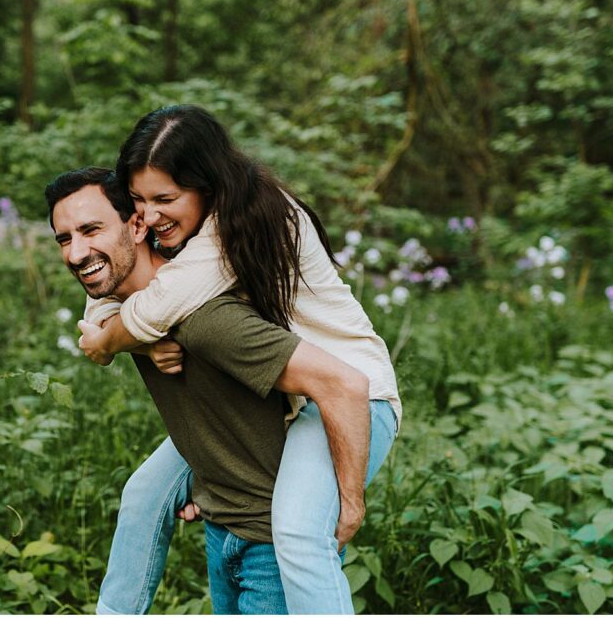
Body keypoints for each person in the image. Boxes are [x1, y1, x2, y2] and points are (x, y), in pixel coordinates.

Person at [76, 105, 402, 614]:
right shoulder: (185, 228)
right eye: (137, 199)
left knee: (296, 531)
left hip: (350, 393)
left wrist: (107, 342)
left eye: (165, 198)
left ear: (208, 184)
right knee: (144, 496)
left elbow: (155, 308)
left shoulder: (237, 225)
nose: (149, 215)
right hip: (285, 396)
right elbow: (118, 293)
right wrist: (128, 336)